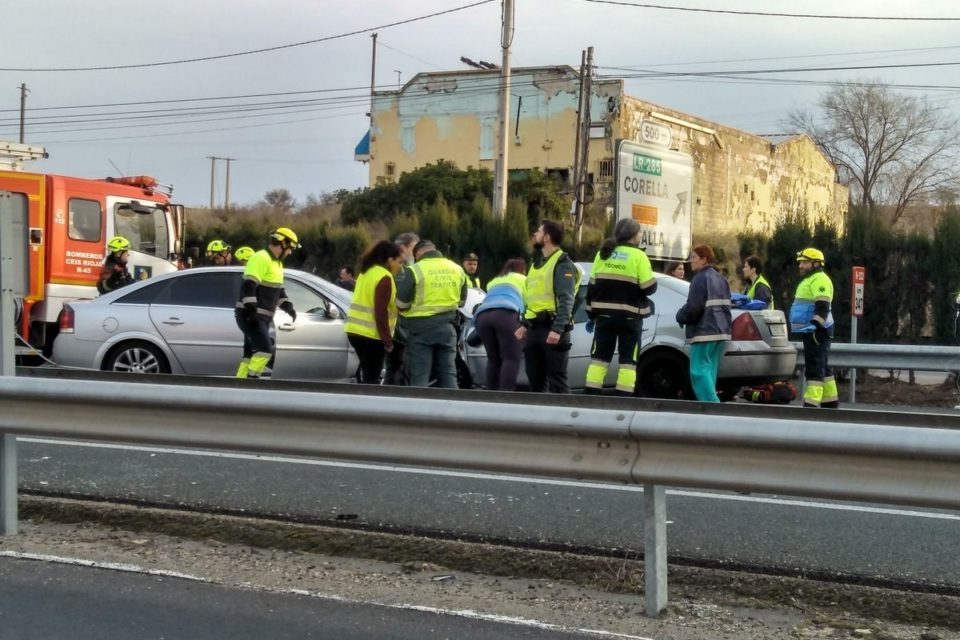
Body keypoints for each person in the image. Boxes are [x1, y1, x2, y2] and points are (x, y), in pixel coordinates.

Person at [584, 219, 657, 396]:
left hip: (604, 317)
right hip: (630, 318)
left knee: (599, 360)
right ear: (633, 235)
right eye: (640, 233)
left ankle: (591, 397)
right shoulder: (639, 256)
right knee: (628, 362)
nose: (641, 236)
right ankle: (623, 400)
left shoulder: (603, 253)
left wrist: (591, 315)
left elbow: (591, 287)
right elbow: (649, 288)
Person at [395, 239, 467, 388]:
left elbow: (401, 304)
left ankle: (420, 410)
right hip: (448, 329)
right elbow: (461, 302)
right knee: (448, 374)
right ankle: (453, 408)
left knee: (420, 376)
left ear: (418, 254)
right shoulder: (457, 269)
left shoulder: (415, 269)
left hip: (421, 331)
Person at [520, 220, 580, 393]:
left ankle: (565, 418)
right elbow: (532, 301)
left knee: (557, 380)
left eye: (538, 232)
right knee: (535, 379)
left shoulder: (562, 264)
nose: (535, 235)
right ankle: (540, 418)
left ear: (546, 238)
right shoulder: (536, 265)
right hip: (534, 329)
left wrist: (558, 328)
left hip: (553, 329)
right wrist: (524, 324)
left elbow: (566, 299)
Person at [234, 227, 299, 379]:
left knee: (249, 355)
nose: (291, 252)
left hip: (261, 317)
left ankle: (239, 385)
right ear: (283, 244)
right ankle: (251, 384)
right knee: (264, 351)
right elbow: (249, 285)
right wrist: (251, 310)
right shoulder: (260, 258)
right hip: (251, 315)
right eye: (291, 248)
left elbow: (278, 291)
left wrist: (287, 306)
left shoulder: (277, 264)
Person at [675, 244, 732, 402]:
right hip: (721, 331)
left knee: (698, 371)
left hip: (704, 331)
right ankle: (710, 409)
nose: (690, 261)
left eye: (693, 257)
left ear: (704, 259)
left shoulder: (700, 278)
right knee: (710, 370)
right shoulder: (721, 279)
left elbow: (694, 307)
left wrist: (681, 316)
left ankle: (712, 405)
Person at [344, 241, 404, 384]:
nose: (400, 267)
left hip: (354, 331)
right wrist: (387, 341)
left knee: (368, 375)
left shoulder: (366, 272)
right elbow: (380, 311)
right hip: (371, 335)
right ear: (390, 260)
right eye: (399, 262)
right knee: (372, 378)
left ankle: (361, 403)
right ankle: (370, 405)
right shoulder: (384, 277)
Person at [790, 247, 838, 408]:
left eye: (804, 262)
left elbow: (822, 306)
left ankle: (811, 404)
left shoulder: (820, 279)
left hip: (817, 331)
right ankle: (830, 402)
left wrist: (815, 326)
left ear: (815, 263)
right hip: (812, 331)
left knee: (814, 367)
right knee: (822, 366)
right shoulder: (811, 279)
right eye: (800, 263)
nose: (800, 266)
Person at [473, 258, 527, 391]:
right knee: (510, 358)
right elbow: (528, 305)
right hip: (506, 314)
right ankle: (505, 397)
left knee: (493, 359)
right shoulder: (525, 280)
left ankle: (491, 395)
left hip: (483, 316)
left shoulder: (494, 281)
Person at [384, 231, 420, 386]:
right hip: (399, 328)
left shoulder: (398, 267)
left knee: (396, 368)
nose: (416, 252)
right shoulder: (400, 270)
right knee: (397, 369)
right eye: (413, 247)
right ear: (402, 248)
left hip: (398, 327)